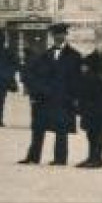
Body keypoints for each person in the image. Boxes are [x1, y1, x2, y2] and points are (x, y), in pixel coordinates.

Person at [19, 22, 83, 166]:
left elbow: (77, 80)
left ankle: (60, 158)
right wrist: (37, 91)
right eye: (56, 35)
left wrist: (75, 98)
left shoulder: (74, 56)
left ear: (66, 36)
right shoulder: (44, 55)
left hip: (63, 98)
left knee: (62, 129)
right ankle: (33, 157)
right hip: (45, 97)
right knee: (38, 127)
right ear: (53, 36)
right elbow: (34, 75)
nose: (59, 37)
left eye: (61, 34)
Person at [76, 51, 102, 169]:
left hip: (94, 111)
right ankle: (93, 158)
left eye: (85, 65)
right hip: (99, 111)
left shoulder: (92, 78)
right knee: (94, 134)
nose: (83, 67)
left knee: (95, 135)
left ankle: (95, 159)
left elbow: (87, 95)